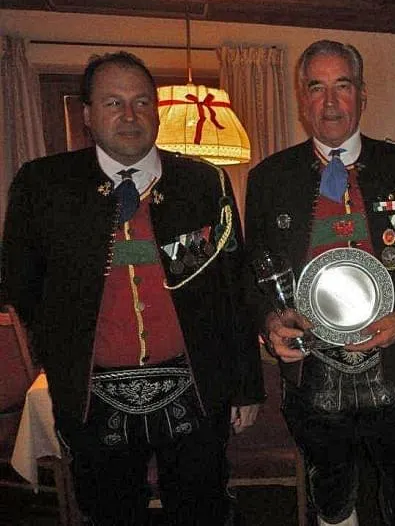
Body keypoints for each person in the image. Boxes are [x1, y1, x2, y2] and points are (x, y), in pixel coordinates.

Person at [1, 51, 264, 525]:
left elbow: (234, 290)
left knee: (203, 512)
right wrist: (62, 360)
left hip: (194, 389)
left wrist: (246, 388)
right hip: (92, 397)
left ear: (157, 113)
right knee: (110, 514)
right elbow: (22, 287)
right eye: (113, 103)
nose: (129, 115)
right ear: (87, 114)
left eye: (142, 102)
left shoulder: (205, 183)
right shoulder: (42, 185)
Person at [244, 39, 395, 526]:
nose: (329, 102)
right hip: (311, 375)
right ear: (302, 99)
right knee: (331, 497)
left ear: (362, 95)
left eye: (342, 86)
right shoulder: (269, 178)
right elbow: (251, 271)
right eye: (316, 88)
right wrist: (270, 321)